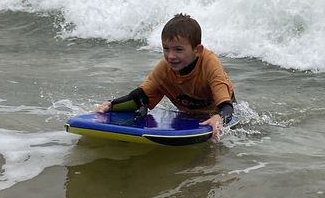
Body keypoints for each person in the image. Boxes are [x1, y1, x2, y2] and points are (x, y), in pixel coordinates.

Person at [95, 12, 235, 137]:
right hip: (189, 114)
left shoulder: (209, 64)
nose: (170, 56)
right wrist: (112, 105)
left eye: (178, 49)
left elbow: (227, 107)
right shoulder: (164, 69)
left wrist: (219, 118)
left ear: (197, 50)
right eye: (166, 49)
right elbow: (139, 97)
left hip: (221, 110)